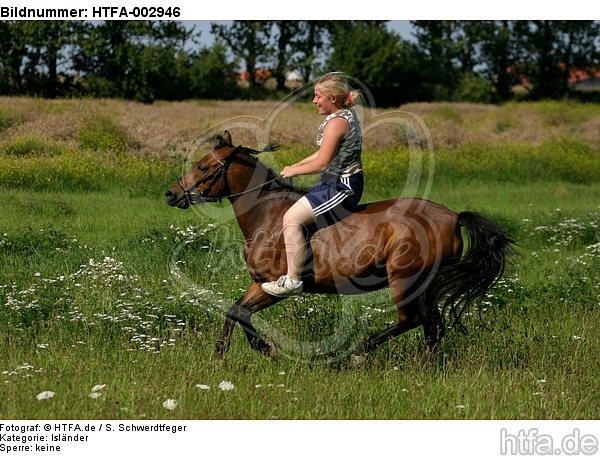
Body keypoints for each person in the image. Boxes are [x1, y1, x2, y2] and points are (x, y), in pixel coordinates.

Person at [261, 74, 364, 297]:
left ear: (333, 98)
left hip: (342, 186)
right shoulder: (342, 116)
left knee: (291, 218)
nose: (314, 101)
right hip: (332, 182)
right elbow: (321, 152)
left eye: (318, 96)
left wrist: (293, 171)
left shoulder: (337, 122)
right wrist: (296, 164)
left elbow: (323, 162)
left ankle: (293, 281)